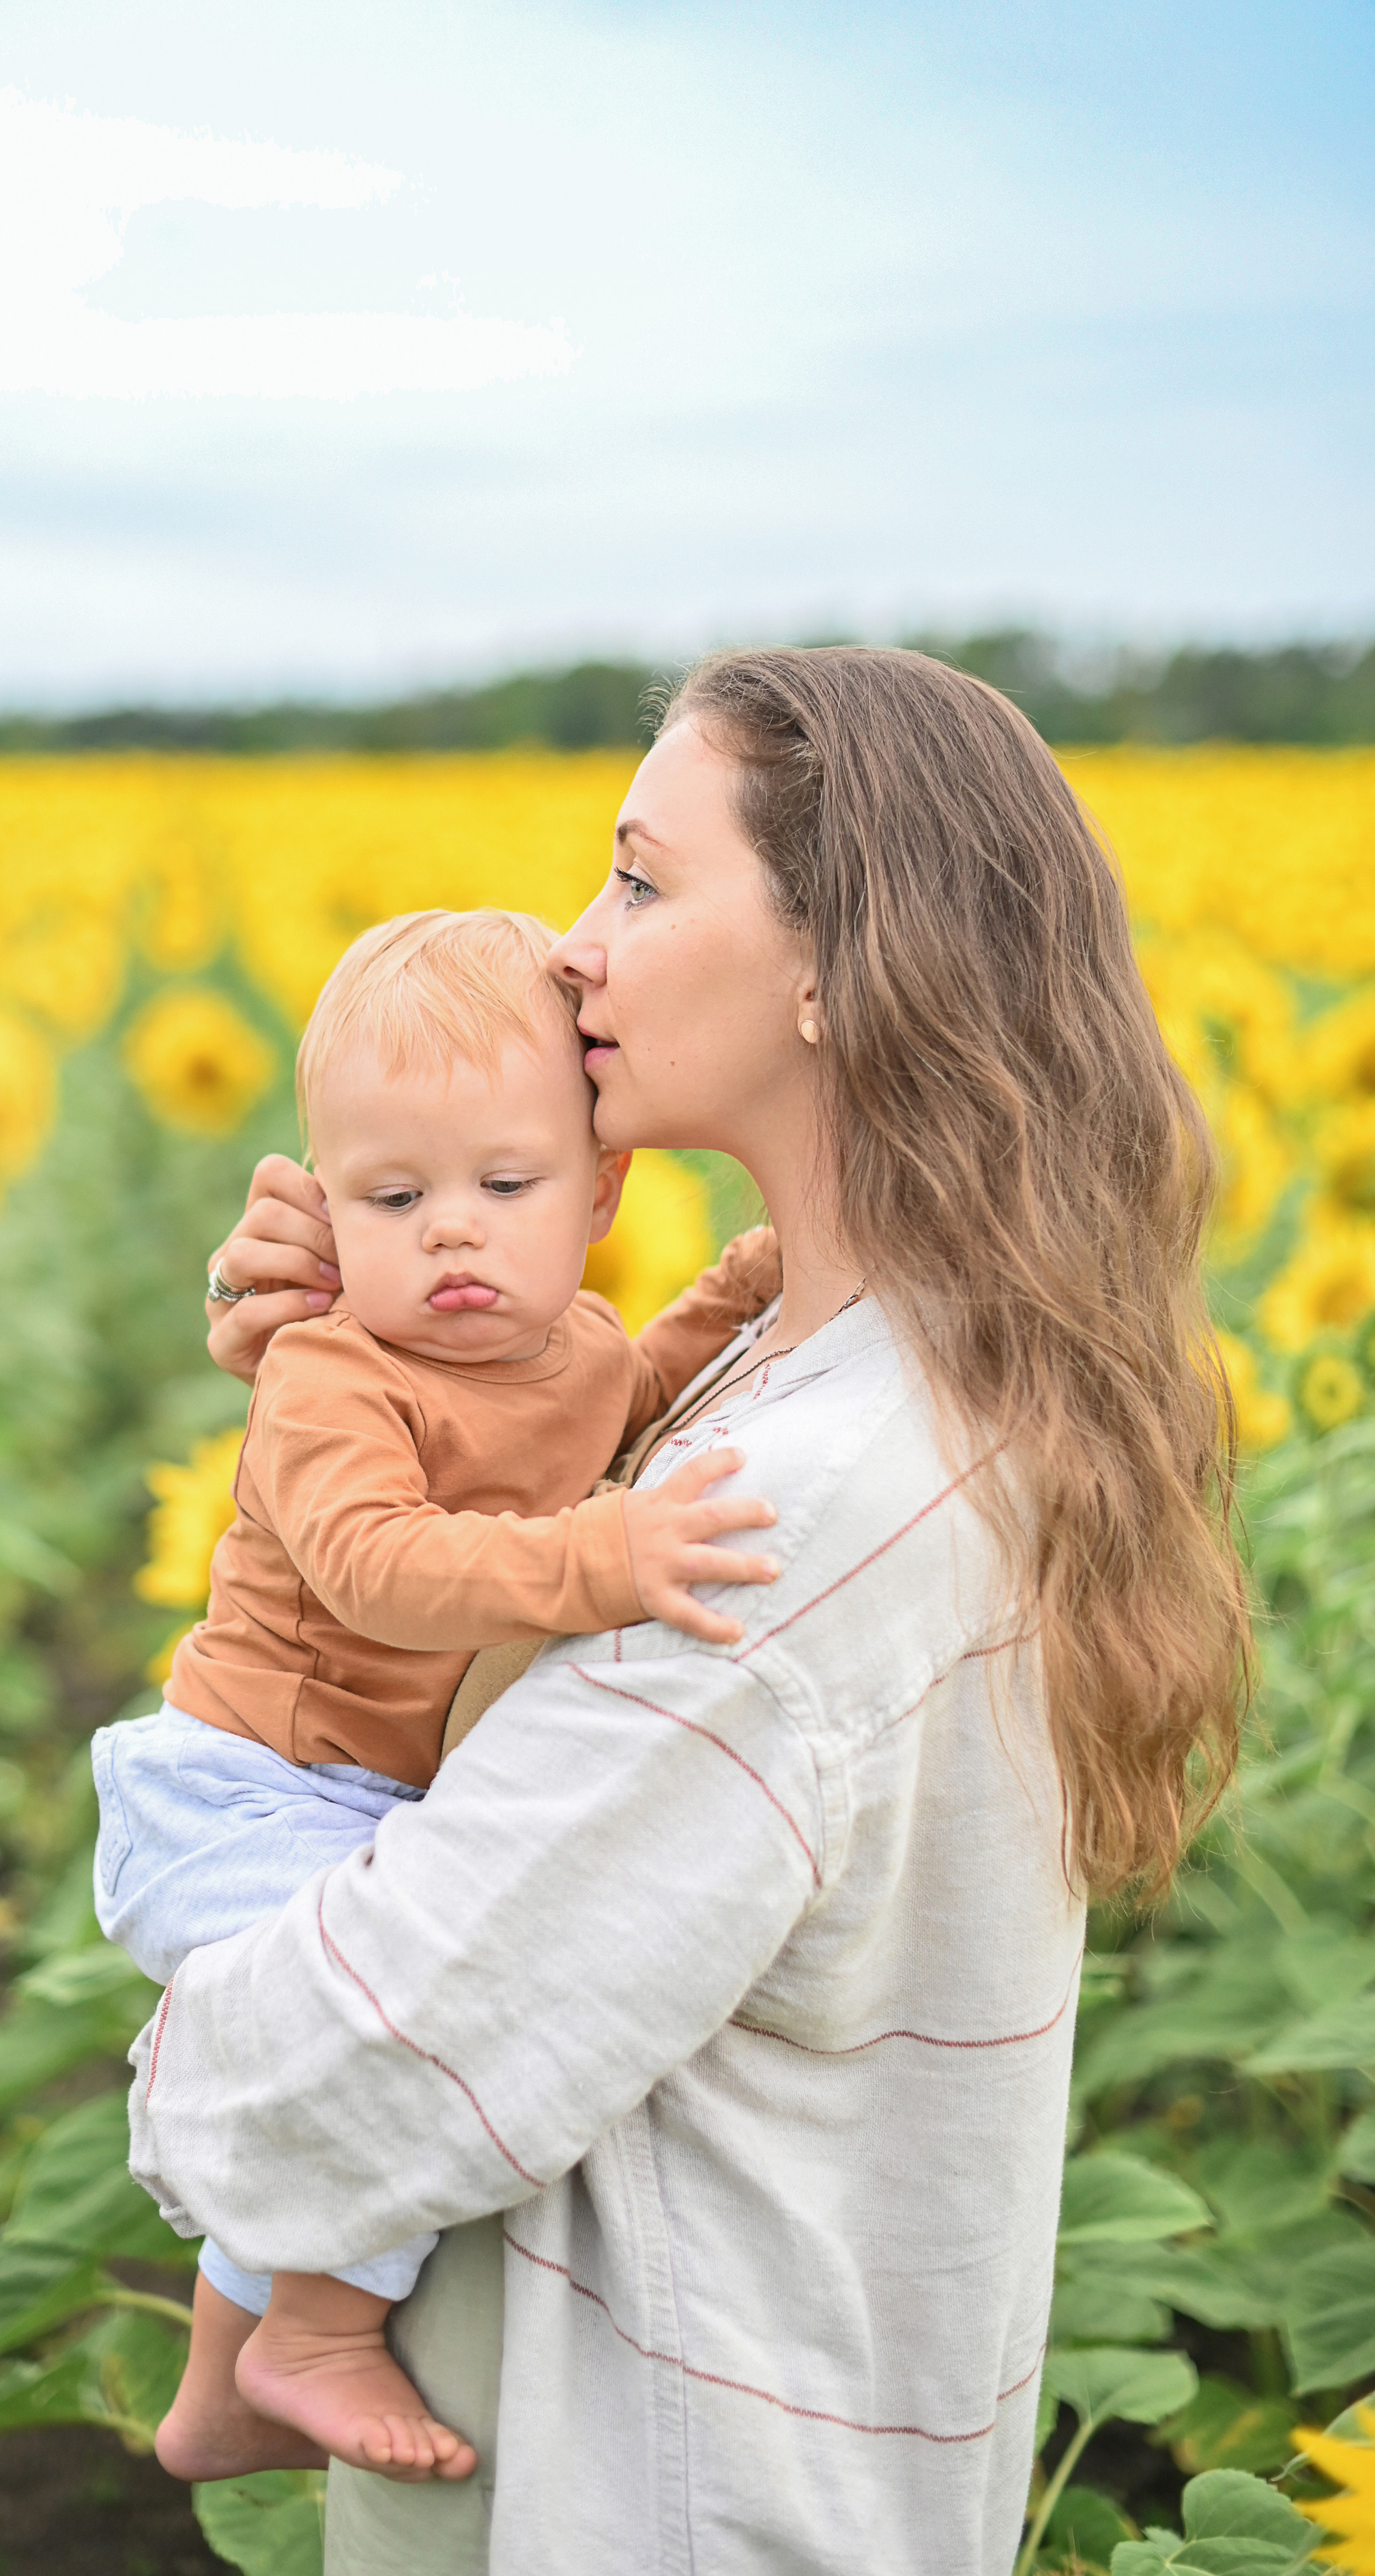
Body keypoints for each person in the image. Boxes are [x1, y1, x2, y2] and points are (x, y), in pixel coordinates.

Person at [129, 647, 1249, 2575]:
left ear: (831, 967)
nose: (575, 952)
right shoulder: (842, 1380)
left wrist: (189, 2046)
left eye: (640, 883)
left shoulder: (799, 1514)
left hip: (646, 2494)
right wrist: (360, 1374)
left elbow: (347, 2081)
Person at [96, 907, 781, 2486]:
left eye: (504, 1186)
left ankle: (222, 2395)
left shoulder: (571, 1341)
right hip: (242, 1789)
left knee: (411, 2003)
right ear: (319, 1216)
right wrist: (600, 1560)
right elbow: (377, 1567)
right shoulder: (330, 1371)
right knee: (395, 2022)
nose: (453, 1233)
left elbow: (635, 1389)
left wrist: (748, 1283)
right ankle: (310, 2338)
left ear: (600, 1192)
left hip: (352, 1796)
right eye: (395, 1198)